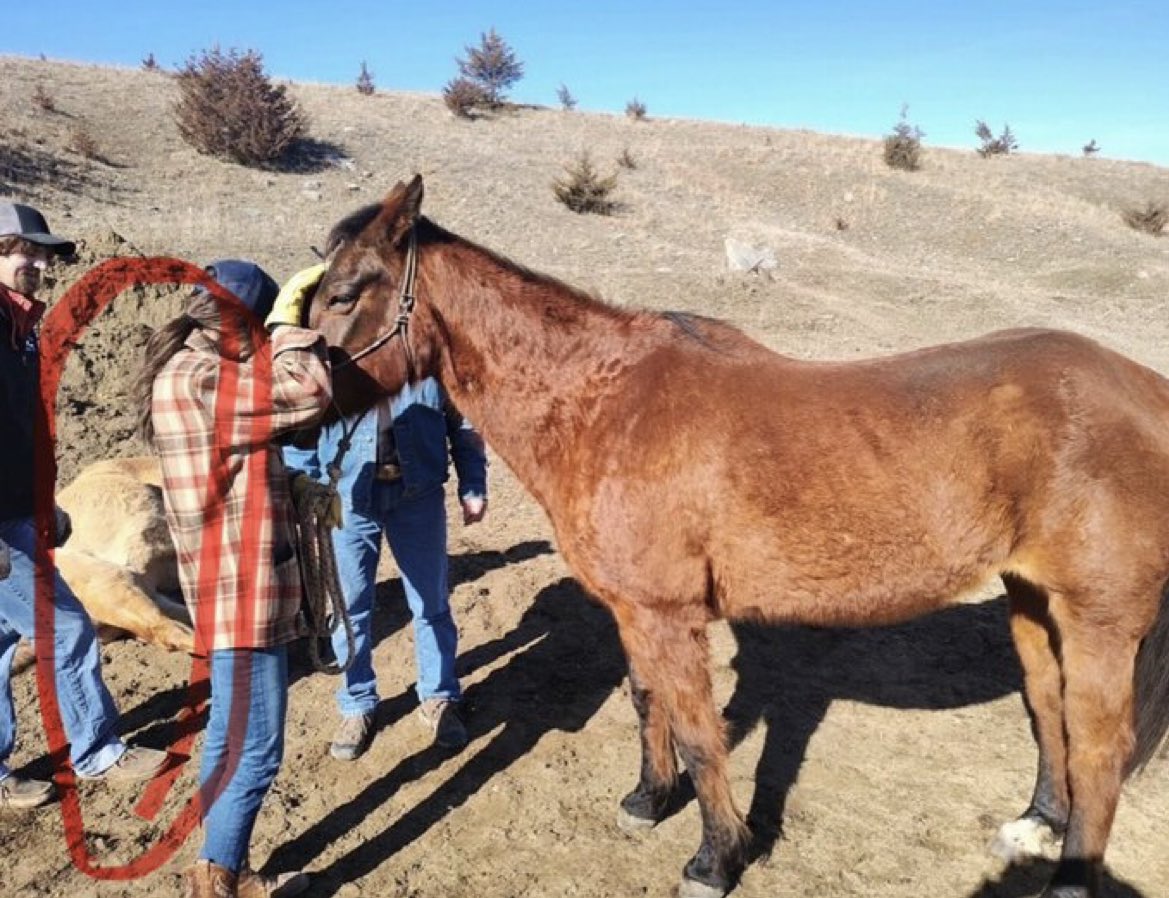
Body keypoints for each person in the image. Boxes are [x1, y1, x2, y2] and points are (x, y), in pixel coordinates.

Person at [136, 259, 330, 897]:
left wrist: (289, 483)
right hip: (243, 590)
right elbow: (308, 391)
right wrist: (292, 326)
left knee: (225, 735)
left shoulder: (187, 371)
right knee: (258, 748)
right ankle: (219, 877)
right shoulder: (203, 380)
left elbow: (234, 463)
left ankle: (219, 866)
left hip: (223, 586)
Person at [0, 202, 169, 810]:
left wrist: (45, 503)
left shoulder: (19, 330)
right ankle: (97, 751)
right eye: (28, 251)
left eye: (45, 254)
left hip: (18, 509)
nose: (41, 264)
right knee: (67, 627)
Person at [285, 329, 488, 759]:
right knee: (349, 608)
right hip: (346, 501)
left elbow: (463, 421)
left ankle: (438, 697)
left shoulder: (428, 354)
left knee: (431, 604)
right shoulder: (330, 359)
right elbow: (298, 433)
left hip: (419, 497)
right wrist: (309, 490)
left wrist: (474, 482)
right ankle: (357, 703)